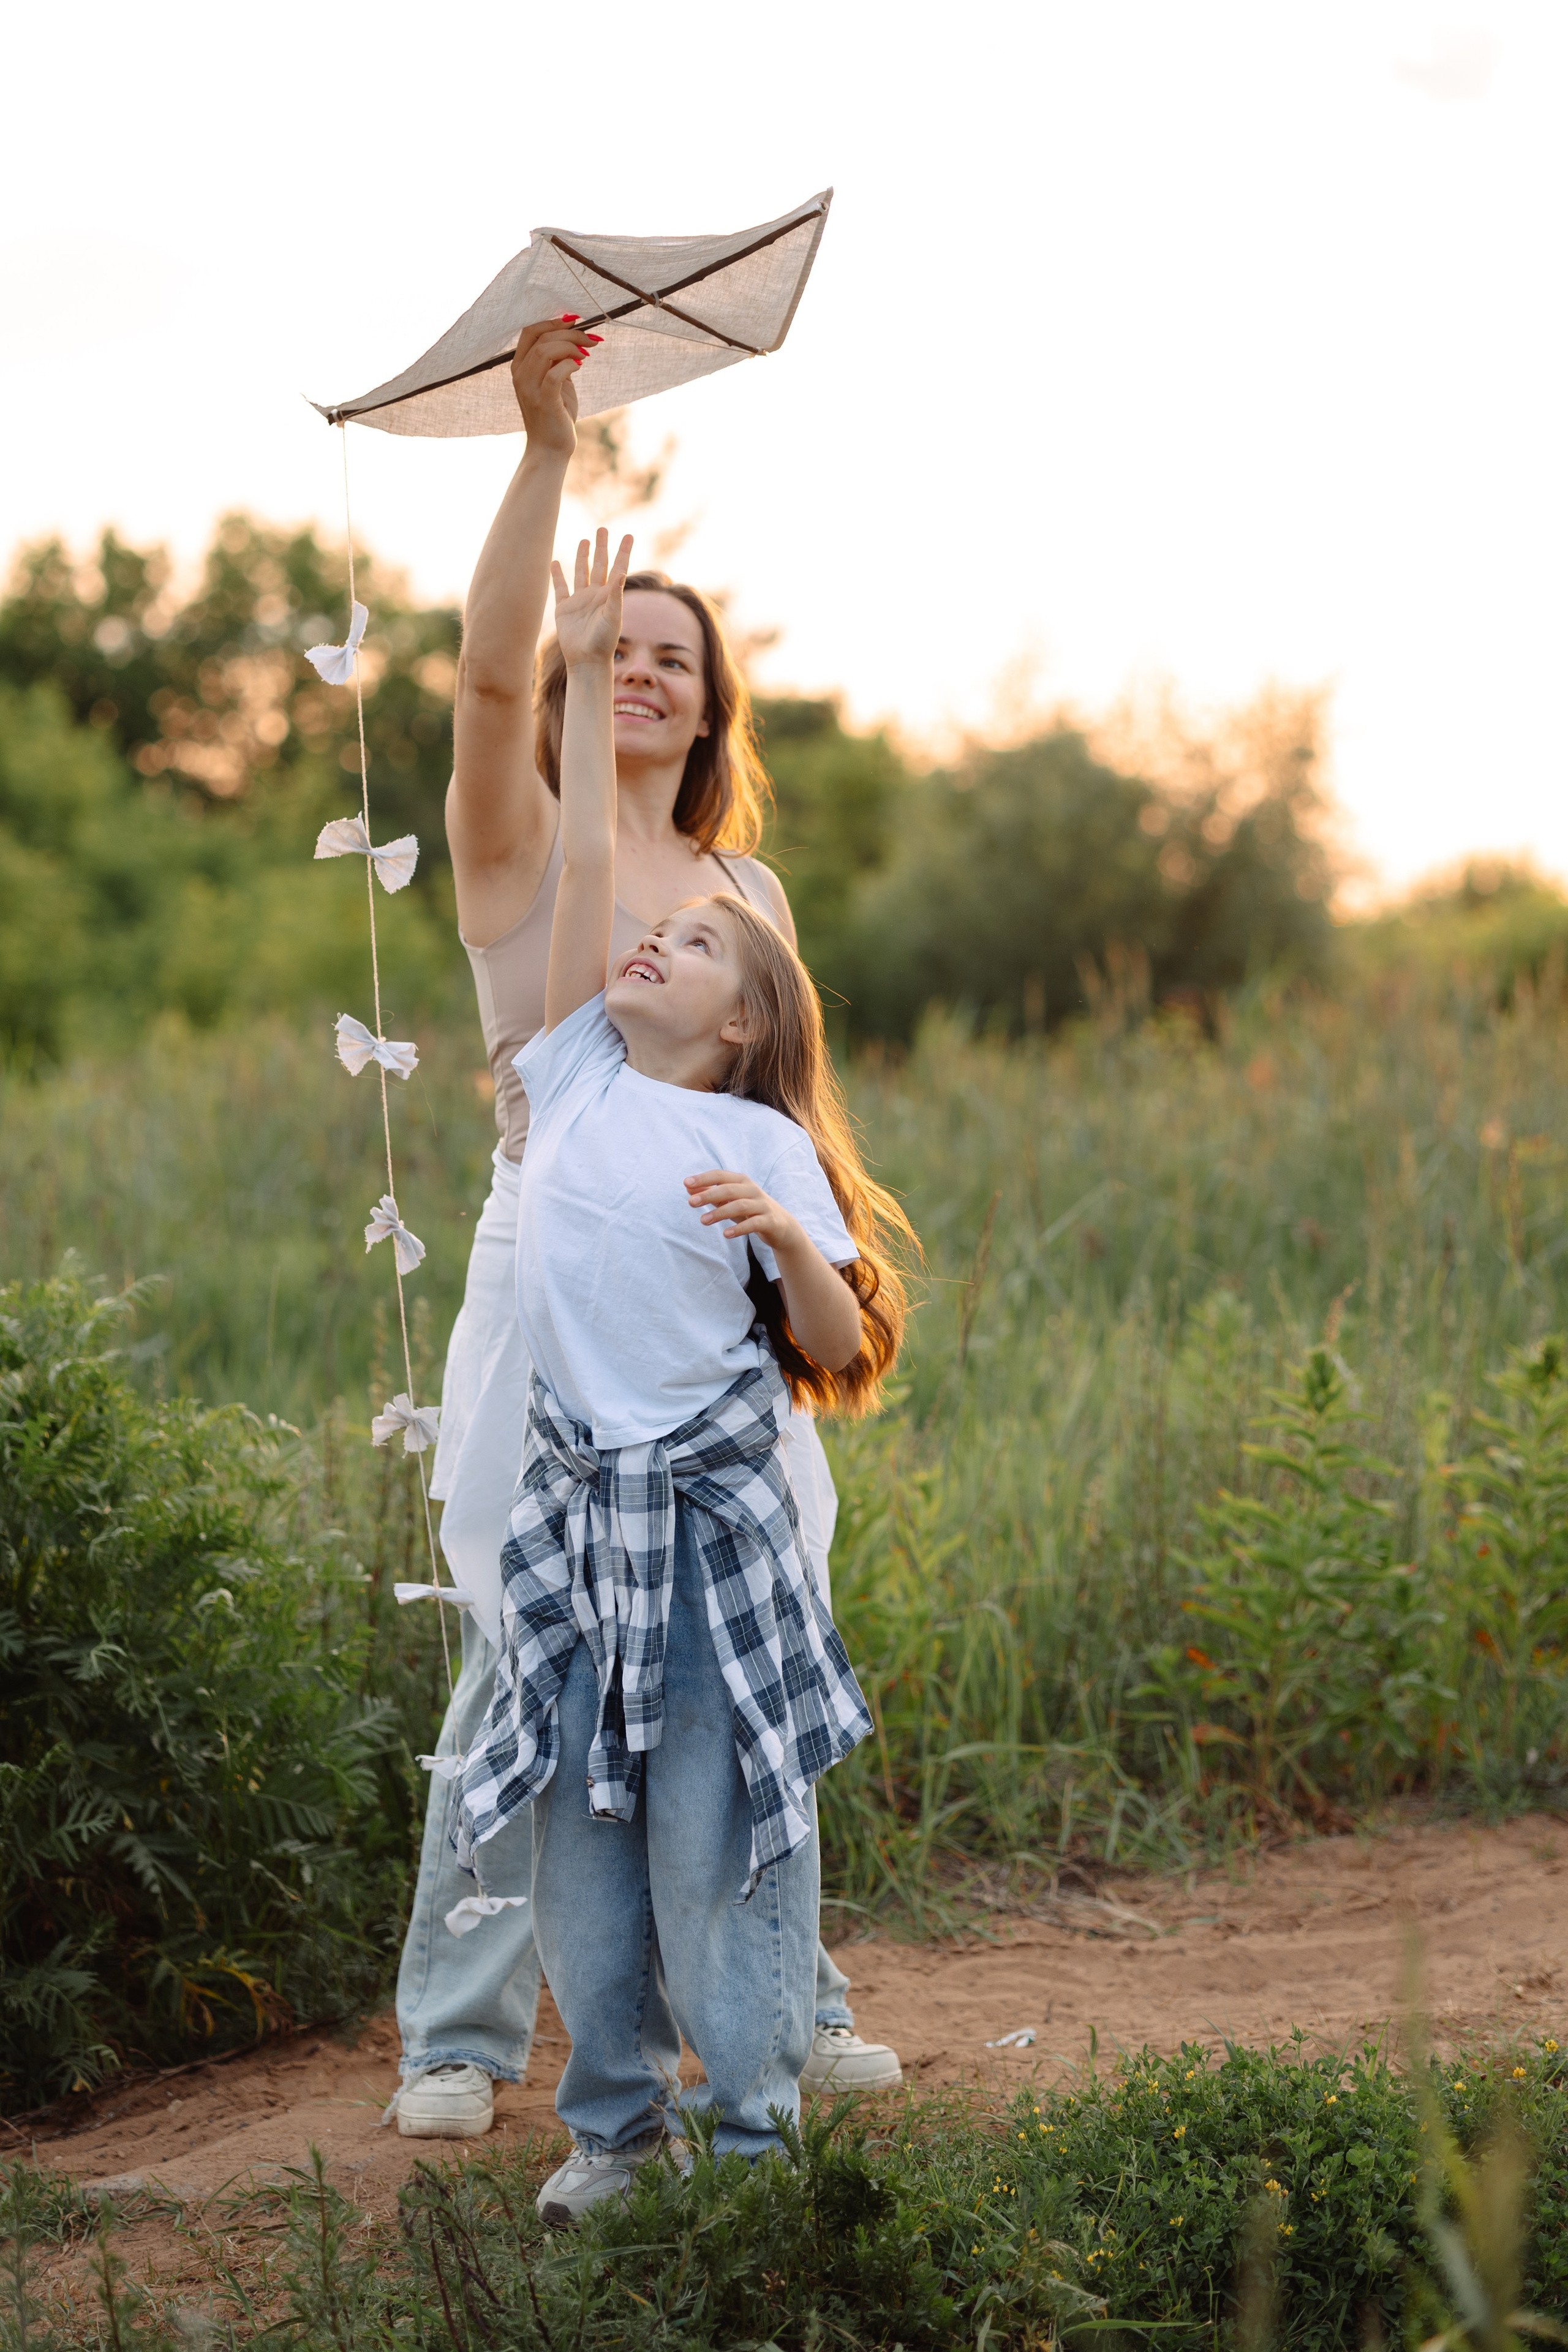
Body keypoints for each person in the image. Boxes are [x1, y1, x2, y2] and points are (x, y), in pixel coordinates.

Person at [386, 316, 902, 2143]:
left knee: (755, 1622)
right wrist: (542, 458)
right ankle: (461, 2029)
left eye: (681, 662)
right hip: (553, 1277)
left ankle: (790, 1999)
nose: (649, 679)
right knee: (528, 1633)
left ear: (710, 705)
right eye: (625, 654)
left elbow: (783, 1101)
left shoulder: (740, 891)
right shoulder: (523, 842)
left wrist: (809, 1264)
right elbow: (482, 690)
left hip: (717, 1283)